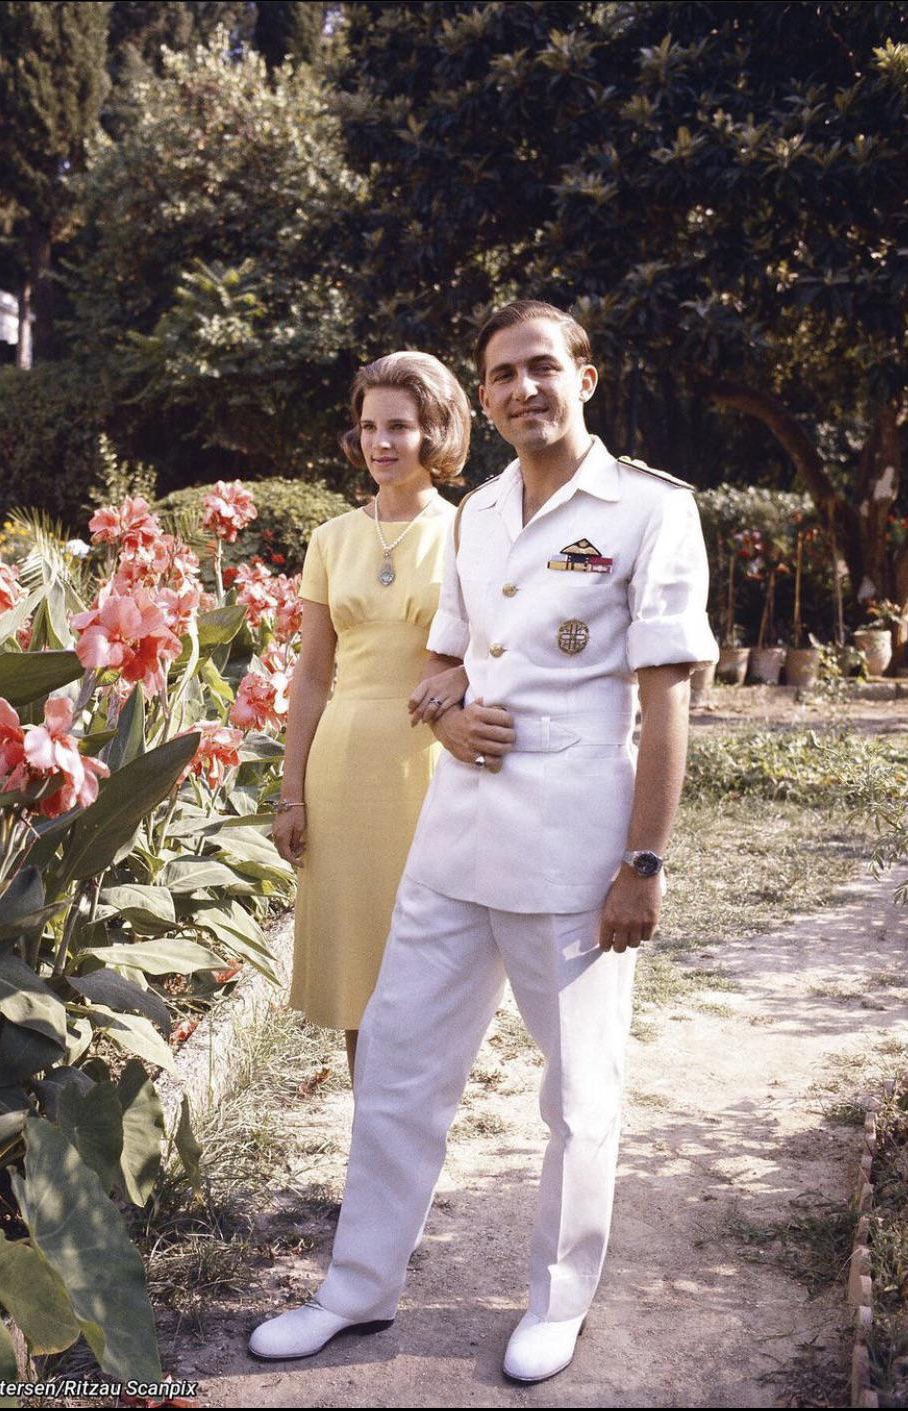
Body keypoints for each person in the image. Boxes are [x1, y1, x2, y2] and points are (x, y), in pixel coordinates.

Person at [250, 301, 719, 1382]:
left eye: (541, 368)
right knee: (403, 1065)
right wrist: (445, 711)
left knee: (577, 1087)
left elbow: (668, 703)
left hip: (573, 842)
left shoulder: (649, 511)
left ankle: (558, 1299)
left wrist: (643, 863)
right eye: (502, 374)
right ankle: (357, 1288)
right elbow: (446, 662)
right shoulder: (481, 513)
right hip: (454, 834)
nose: (522, 389)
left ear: (585, 376)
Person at [275, 351, 472, 1080]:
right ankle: (372, 1171)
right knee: (361, 976)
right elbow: (311, 676)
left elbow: (500, 646)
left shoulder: (466, 532)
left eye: (399, 426)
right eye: (367, 427)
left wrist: (459, 677)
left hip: (430, 765)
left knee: (427, 969)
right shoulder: (330, 538)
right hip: (343, 767)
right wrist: (291, 792)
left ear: (435, 433)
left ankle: (420, 1152)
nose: (380, 443)